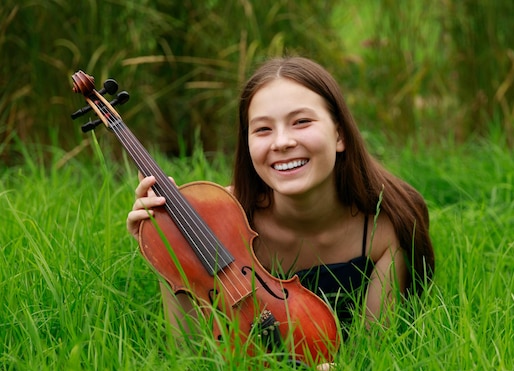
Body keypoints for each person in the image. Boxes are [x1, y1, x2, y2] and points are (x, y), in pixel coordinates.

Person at [127, 56, 435, 340]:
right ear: (247, 144)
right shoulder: (220, 218)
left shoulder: (386, 224)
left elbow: (375, 350)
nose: (282, 142)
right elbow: (191, 355)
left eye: (302, 122)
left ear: (339, 135)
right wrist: (166, 244)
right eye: (262, 129)